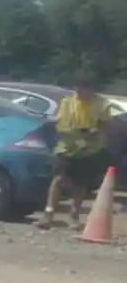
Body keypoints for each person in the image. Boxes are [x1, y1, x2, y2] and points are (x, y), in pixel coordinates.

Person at [39, 71, 111, 229]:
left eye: (83, 89)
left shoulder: (102, 104)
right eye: (77, 89)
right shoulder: (67, 102)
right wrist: (52, 121)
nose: (79, 93)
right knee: (58, 178)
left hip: (88, 148)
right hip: (66, 146)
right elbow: (59, 119)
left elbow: (104, 124)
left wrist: (95, 131)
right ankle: (49, 213)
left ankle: (74, 216)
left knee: (80, 184)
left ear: (91, 89)